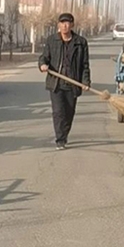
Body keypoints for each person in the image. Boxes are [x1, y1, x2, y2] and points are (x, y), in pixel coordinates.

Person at [39, 12, 91, 150]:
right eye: (62, 23)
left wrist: (85, 81)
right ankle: (60, 139)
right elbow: (44, 57)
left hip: (73, 84)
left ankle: (64, 134)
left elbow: (85, 65)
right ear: (59, 25)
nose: (65, 26)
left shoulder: (80, 43)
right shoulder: (52, 40)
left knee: (69, 113)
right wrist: (43, 65)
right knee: (58, 112)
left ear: (72, 25)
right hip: (56, 83)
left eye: (67, 23)